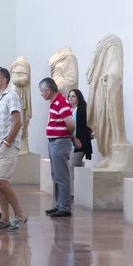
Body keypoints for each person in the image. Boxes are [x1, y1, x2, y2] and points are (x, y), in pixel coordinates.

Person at [0, 67, 27, 231]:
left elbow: (17, 122)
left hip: (6, 146)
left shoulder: (11, 96)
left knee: (2, 182)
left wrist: (7, 143)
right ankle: (4, 218)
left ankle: (20, 215)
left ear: (4, 80)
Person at [39, 77, 75, 218]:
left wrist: (67, 136)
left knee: (62, 176)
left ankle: (65, 207)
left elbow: (71, 124)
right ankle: (60, 205)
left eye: (42, 91)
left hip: (60, 142)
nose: (41, 94)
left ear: (48, 90)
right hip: (55, 142)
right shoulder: (54, 103)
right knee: (56, 175)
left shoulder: (61, 102)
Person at [68, 89, 93, 195]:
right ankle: (77, 190)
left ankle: (73, 192)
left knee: (73, 165)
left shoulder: (82, 109)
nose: (71, 98)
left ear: (78, 97)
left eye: (73, 96)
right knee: (74, 165)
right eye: (69, 96)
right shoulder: (68, 110)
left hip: (80, 143)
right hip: (70, 143)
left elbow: (85, 126)